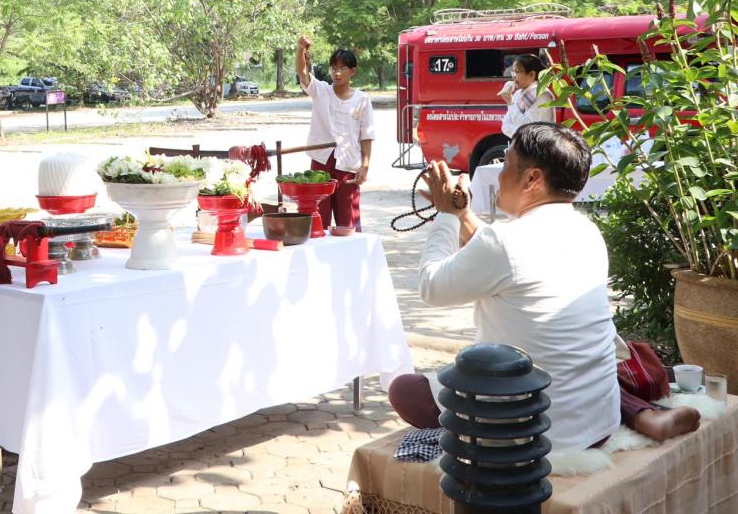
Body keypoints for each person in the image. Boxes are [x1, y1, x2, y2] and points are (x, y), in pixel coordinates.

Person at [388, 123, 700, 452]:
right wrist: (462, 212)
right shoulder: (587, 230)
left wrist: (447, 217)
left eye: (506, 165)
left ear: (533, 179)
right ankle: (642, 416)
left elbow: (431, 286)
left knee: (405, 389)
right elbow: (497, 259)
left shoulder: (504, 241)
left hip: (530, 428)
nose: (499, 176)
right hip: (596, 421)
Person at [294, 35, 374, 232]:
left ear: (352, 71)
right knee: (318, 219)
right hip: (321, 162)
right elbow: (302, 72)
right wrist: (300, 49)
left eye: (342, 68)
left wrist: (365, 166)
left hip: (348, 165)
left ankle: (350, 260)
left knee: (348, 225)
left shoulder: (362, 100)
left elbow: (366, 136)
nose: (337, 73)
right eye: (333, 68)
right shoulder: (321, 91)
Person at [500, 54, 555, 138]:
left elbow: (528, 126)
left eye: (517, 72)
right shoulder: (517, 94)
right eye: (513, 72)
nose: (513, 77)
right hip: (522, 145)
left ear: (532, 74)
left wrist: (511, 104)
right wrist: (522, 135)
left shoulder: (541, 94)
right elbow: (505, 126)